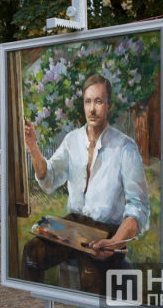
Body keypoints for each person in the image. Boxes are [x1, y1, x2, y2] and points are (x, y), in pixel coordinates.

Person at [22, 74, 150, 294]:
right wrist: (33, 147)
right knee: (31, 253)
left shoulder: (125, 148)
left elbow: (138, 206)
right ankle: (36, 305)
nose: (92, 109)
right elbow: (49, 179)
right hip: (73, 227)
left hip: (105, 231)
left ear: (108, 105)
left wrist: (115, 243)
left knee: (92, 284)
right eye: (88, 101)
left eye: (98, 101)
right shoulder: (72, 140)